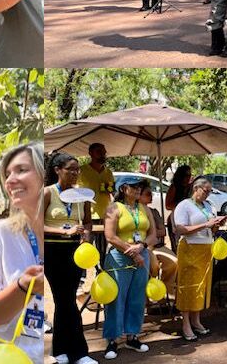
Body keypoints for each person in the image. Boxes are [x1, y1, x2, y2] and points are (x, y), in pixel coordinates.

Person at [0, 144, 48, 362]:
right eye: (7, 174)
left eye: (21, 170)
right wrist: (22, 288)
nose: (10, 180)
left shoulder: (67, 234)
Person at [43, 153, 93, 364]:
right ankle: (78, 352)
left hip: (76, 252)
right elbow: (35, 224)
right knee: (64, 300)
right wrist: (64, 232)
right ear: (57, 170)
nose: (74, 173)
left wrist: (86, 235)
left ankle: (61, 350)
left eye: (77, 169)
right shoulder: (47, 193)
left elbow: (88, 222)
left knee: (66, 300)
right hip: (53, 252)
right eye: (70, 169)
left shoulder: (82, 195)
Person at [102, 176, 154, 359]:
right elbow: (110, 236)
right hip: (119, 258)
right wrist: (132, 251)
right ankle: (112, 340)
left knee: (137, 297)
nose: (138, 189)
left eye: (139, 186)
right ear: (123, 189)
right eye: (134, 186)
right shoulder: (114, 208)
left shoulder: (144, 208)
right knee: (117, 298)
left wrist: (142, 247)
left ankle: (133, 336)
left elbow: (153, 234)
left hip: (142, 255)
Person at [172, 176, 227, 340]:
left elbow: (210, 229)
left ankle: (196, 320)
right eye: (206, 191)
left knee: (201, 285)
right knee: (188, 285)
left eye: (210, 191)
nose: (208, 194)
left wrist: (216, 225)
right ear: (196, 188)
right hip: (190, 248)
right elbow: (180, 229)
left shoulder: (207, 205)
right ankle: (185, 323)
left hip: (206, 247)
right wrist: (206, 224)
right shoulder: (184, 205)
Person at [77, 142, 115, 254]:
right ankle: (83, 271)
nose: (103, 155)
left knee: (103, 250)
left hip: (105, 216)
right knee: (85, 247)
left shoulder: (108, 172)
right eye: (99, 152)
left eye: (104, 152)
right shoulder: (82, 171)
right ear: (90, 153)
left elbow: (110, 191)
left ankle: (101, 270)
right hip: (87, 216)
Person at [165, 165, 194, 249]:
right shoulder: (174, 187)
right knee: (177, 248)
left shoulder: (190, 188)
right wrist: (182, 203)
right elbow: (168, 205)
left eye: (190, 175)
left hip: (188, 222)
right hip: (175, 222)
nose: (188, 177)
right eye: (186, 175)